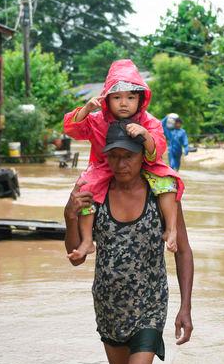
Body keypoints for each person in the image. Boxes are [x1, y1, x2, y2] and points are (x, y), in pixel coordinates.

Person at [64, 122, 194, 364]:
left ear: (142, 158)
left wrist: (186, 308)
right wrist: (69, 217)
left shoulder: (161, 195)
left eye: (129, 157)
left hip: (150, 304)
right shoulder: (96, 196)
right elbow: (77, 256)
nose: (122, 164)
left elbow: (183, 251)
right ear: (105, 158)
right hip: (108, 305)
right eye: (115, 157)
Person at [63, 60, 184, 259]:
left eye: (130, 97)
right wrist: (85, 109)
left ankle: (171, 228)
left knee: (168, 181)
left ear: (140, 99)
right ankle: (86, 240)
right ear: (107, 99)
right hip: (103, 167)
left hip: (144, 166)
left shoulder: (149, 121)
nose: (123, 103)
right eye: (117, 97)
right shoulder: (97, 119)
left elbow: (158, 148)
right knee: (85, 188)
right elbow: (72, 130)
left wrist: (144, 134)